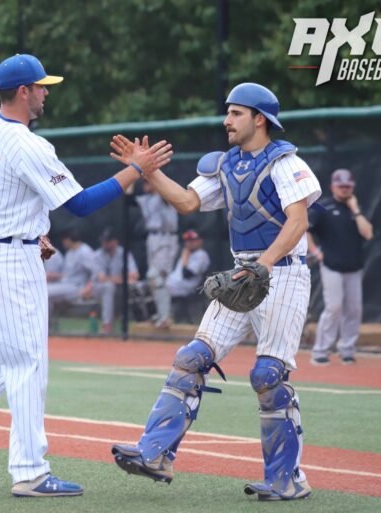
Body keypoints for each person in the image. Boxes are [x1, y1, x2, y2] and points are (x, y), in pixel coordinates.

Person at [0, 54, 172, 498]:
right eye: (41, 86)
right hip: (9, 259)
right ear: (23, 91)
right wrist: (137, 169)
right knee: (28, 361)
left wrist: (26, 225)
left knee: (7, 352)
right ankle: (30, 471)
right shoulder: (29, 145)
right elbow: (81, 205)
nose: (46, 92)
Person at [109, 82, 321, 501]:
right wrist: (147, 170)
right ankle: (156, 454)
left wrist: (263, 265)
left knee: (267, 375)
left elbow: (298, 222)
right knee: (191, 358)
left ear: (260, 119)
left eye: (236, 113)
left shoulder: (286, 162)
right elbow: (188, 202)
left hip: (283, 273)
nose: (227, 120)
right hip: (243, 273)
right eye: (228, 112)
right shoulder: (226, 164)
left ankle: (287, 478)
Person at [307, 169, 373, 366]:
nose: (344, 189)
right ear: (333, 187)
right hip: (331, 265)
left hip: (354, 266)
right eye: (341, 186)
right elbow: (305, 230)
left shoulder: (357, 208)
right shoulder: (323, 207)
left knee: (354, 309)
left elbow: (368, 234)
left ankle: (347, 350)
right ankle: (320, 350)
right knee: (334, 307)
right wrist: (315, 252)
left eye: (348, 186)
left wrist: (356, 210)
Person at [136, 180, 179, 329]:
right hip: (152, 239)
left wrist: (156, 181)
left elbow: (167, 195)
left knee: (156, 276)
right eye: (145, 183)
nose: (146, 186)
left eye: (148, 183)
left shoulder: (164, 196)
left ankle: (165, 316)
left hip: (166, 238)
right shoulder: (147, 199)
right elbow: (130, 198)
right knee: (154, 280)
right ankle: (162, 315)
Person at [93, 228, 140, 334]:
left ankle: (143, 321)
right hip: (98, 289)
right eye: (103, 241)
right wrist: (123, 278)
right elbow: (101, 278)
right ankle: (107, 325)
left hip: (120, 289)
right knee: (109, 286)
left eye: (107, 241)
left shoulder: (123, 253)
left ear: (115, 242)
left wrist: (116, 279)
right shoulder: (97, 255)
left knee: (137, 285)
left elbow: (135, 275)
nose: (104, 244)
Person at [46, 229, 101, 318]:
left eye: (64, 240)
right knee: (44, 293)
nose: (63, 243)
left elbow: (96, 272)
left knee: (46, 292)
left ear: (68, 239)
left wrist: (88, 287)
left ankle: (45, 325)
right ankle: (48, 325)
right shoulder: (70, 252)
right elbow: (67, 274)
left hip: (77, 287)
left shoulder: (84, 251)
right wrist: (55, 276)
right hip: (66, 285)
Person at [166, 229, 211, 323]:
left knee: (160, 288)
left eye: (192, 240)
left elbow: (187, 274)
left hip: (187, 286)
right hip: (176, 284)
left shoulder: (201, 255)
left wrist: (185, 256)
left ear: (200, 241)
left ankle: (166, 317)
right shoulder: (187, 253)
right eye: (187, 240)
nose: (189, 243)